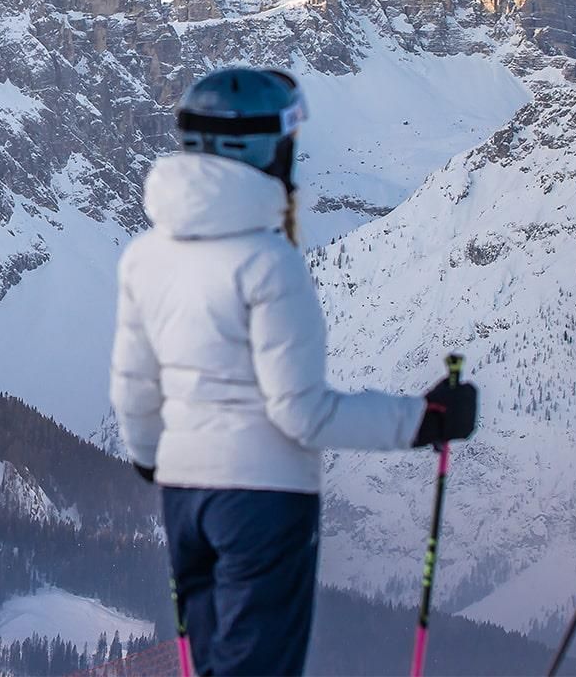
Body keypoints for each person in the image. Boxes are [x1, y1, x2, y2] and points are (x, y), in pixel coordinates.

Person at [110, 66, 478, 676]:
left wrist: (153, 455)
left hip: (183, 498)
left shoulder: (146, 257)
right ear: (263, 149)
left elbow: (133, 387)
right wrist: (426, 420)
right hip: (264, 500)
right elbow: (301, 412)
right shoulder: (270, 262)